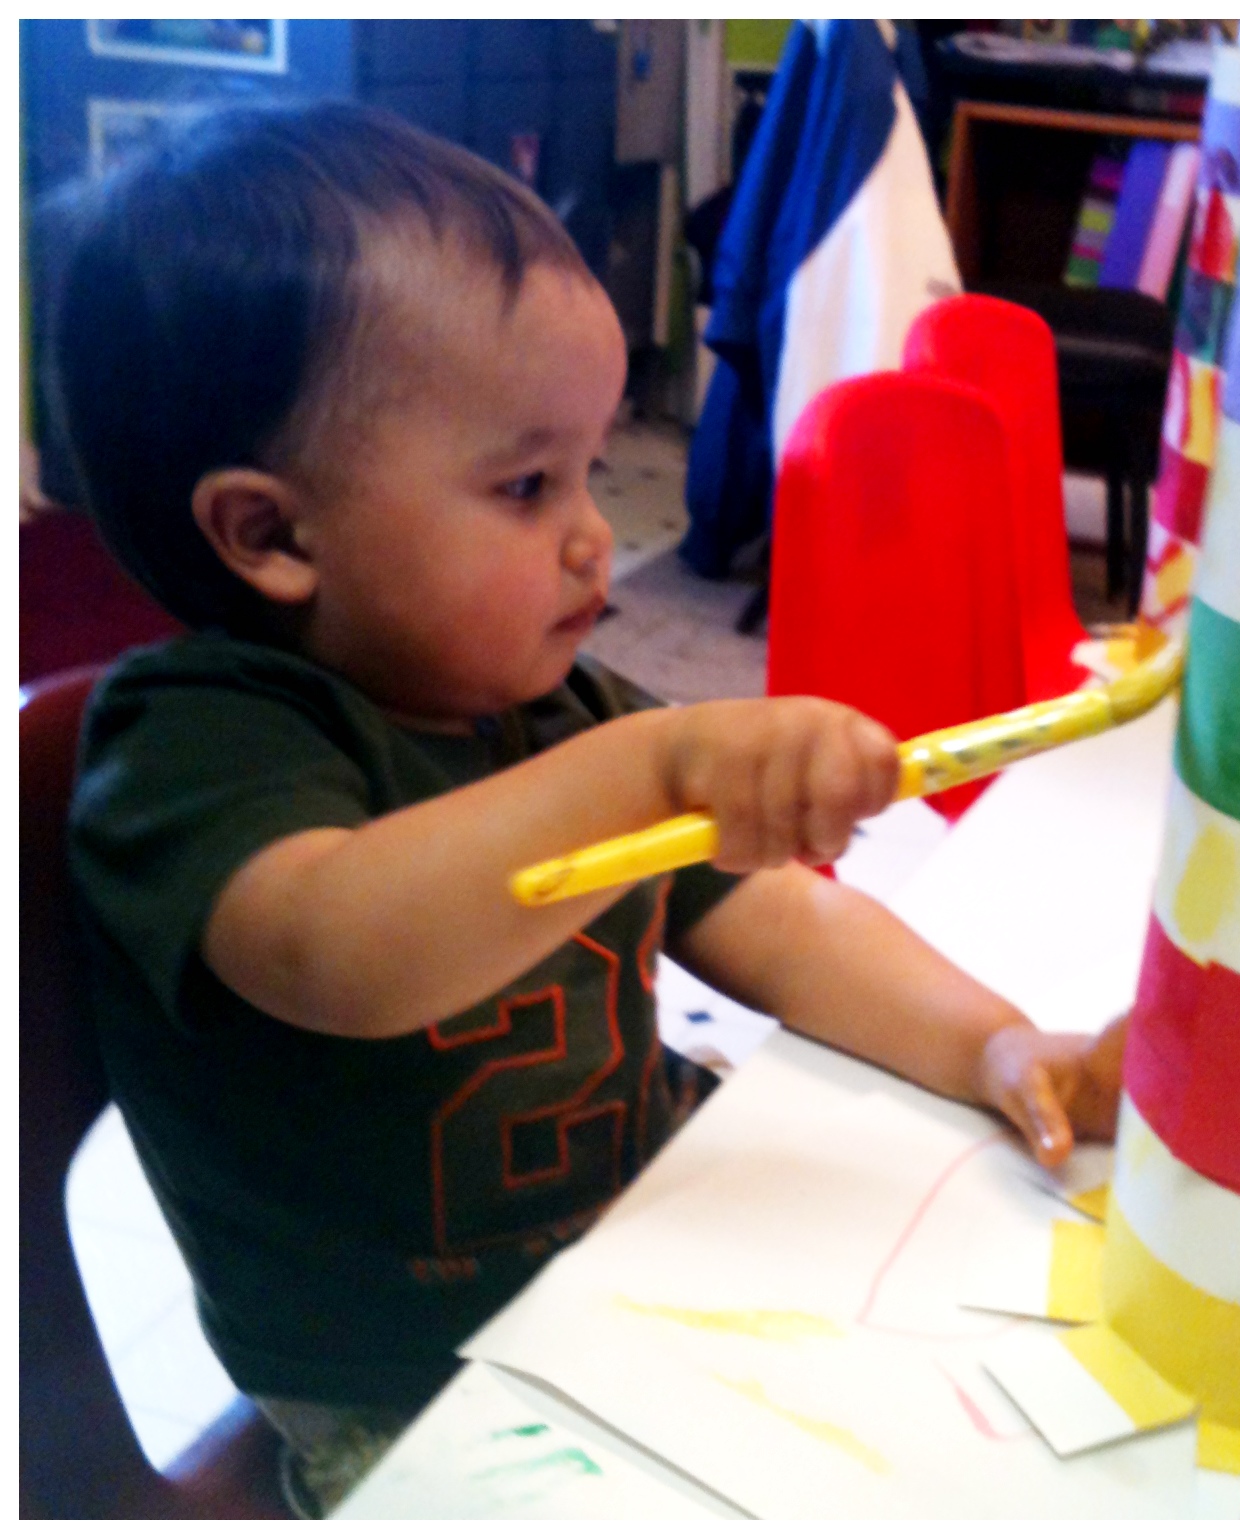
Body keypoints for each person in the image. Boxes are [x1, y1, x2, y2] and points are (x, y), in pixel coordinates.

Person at [55, 102, 1127, 1515]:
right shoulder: (196, 741)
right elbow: (343, 950)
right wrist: (657, 768)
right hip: (415, 1397)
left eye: (589, 468)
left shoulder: (554, 708)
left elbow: (784, 925)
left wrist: (995, 1041)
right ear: (271, 535)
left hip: (642, 1265)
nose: (594, 533)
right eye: (525, 484)